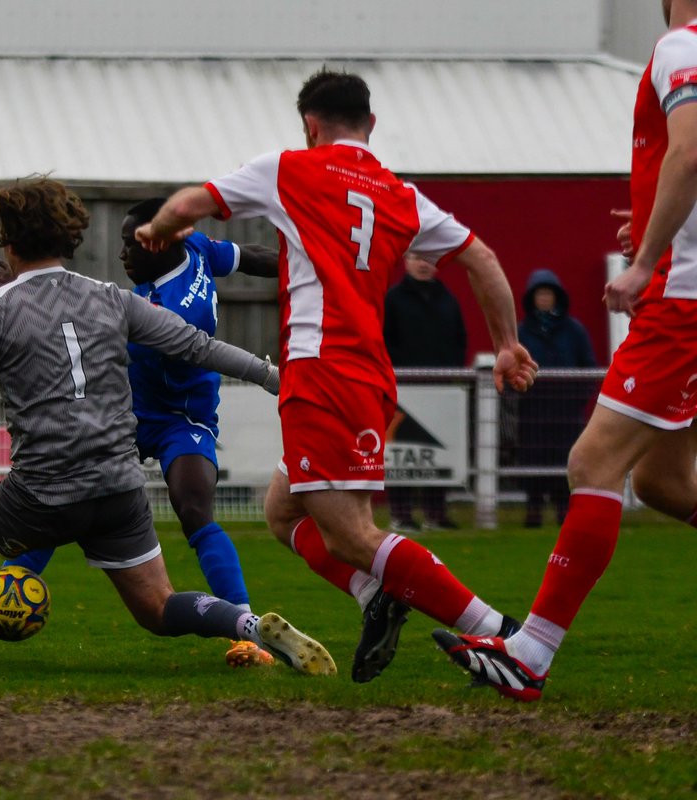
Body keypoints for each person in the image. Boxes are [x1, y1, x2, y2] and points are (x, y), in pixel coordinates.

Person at [0, 176, 337, 676]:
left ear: (6, 238)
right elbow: (198, 347)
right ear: (69, 235)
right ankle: (246, 622)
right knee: (159, 609)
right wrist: (273, 376)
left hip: (41, 491)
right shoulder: (113, 297)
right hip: (118, 489)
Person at [136, 68, 538, 685]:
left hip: (323, 372)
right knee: (282, 513)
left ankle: (501, 633)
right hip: (367, 373)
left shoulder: (290, 168)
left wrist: (159, 229)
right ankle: (374, 597)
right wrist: (507, 344)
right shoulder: (399, 193)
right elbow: (480, 257)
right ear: (371, 125)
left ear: (310, 125)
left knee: (351, 533)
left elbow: (191, 203)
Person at [436, 0, 697, 701]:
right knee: (666, 483)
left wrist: (646, 259)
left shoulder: (682, 44)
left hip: (683, 302)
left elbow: (691, 148)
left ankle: (531, 652)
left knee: (593, 462)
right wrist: (653, 227)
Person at [0, 198, 284, 668]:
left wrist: (27, 293)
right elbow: (249, 256)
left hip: (184, 417)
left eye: (128, 244)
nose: (121, 255)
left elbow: (96, 318)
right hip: (126, 416)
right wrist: (309, 268)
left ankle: (248, 632)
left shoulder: (173, 306)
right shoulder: (195, 246)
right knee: (61, 496)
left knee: (194, 509)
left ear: (157, 242)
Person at [382, 252, 468, 533]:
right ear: (405, 261)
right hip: (403, 389)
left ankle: (436, 514)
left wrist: (451, 371)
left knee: (437, 453)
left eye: (429, 259)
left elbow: (459, 340)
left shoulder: (448, 300)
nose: (423, 264)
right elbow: (382, 339)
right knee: (401, 453)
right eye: (418, 258)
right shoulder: (393, 299)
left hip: (441, 390)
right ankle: (402, 514)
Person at [514, 269, 597, 528]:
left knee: (567, 461)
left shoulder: (575, 331)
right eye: (540, 294)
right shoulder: (521, 331)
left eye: (548, 293)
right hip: (533, 412)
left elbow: (589, 368)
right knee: (533, 460)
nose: (544, 299)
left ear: (557, 297)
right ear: (531, 298)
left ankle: (564, 511)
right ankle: (533, 511)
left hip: (566, 413)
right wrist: (521, 394)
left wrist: (576, 399)